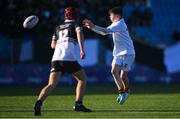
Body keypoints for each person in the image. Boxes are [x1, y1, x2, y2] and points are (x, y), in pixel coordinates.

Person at [34, 7, 92, 116]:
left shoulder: (57, 27)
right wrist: (82, 49)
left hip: (56, 59)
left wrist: (62, 43)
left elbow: (53, 46)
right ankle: (78, 104)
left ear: (65, 16)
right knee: (82, 79)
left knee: (51, 84)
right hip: (69, 58)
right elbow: (79, 33)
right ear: (75, 16)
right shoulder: (76, 24)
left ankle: (39, 102)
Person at [83, 6, 135, 104]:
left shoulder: (121, 24)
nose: (109, 16)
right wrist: (92, 27)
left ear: (117, 15)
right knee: (114, 71)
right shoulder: (115, 24)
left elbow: (105, 31)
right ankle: (122, 92)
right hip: (118, 53)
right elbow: (104, 33)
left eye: (110, 15)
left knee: (123, 76)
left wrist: (93, 25)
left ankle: (127, 90)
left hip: (128, 52)